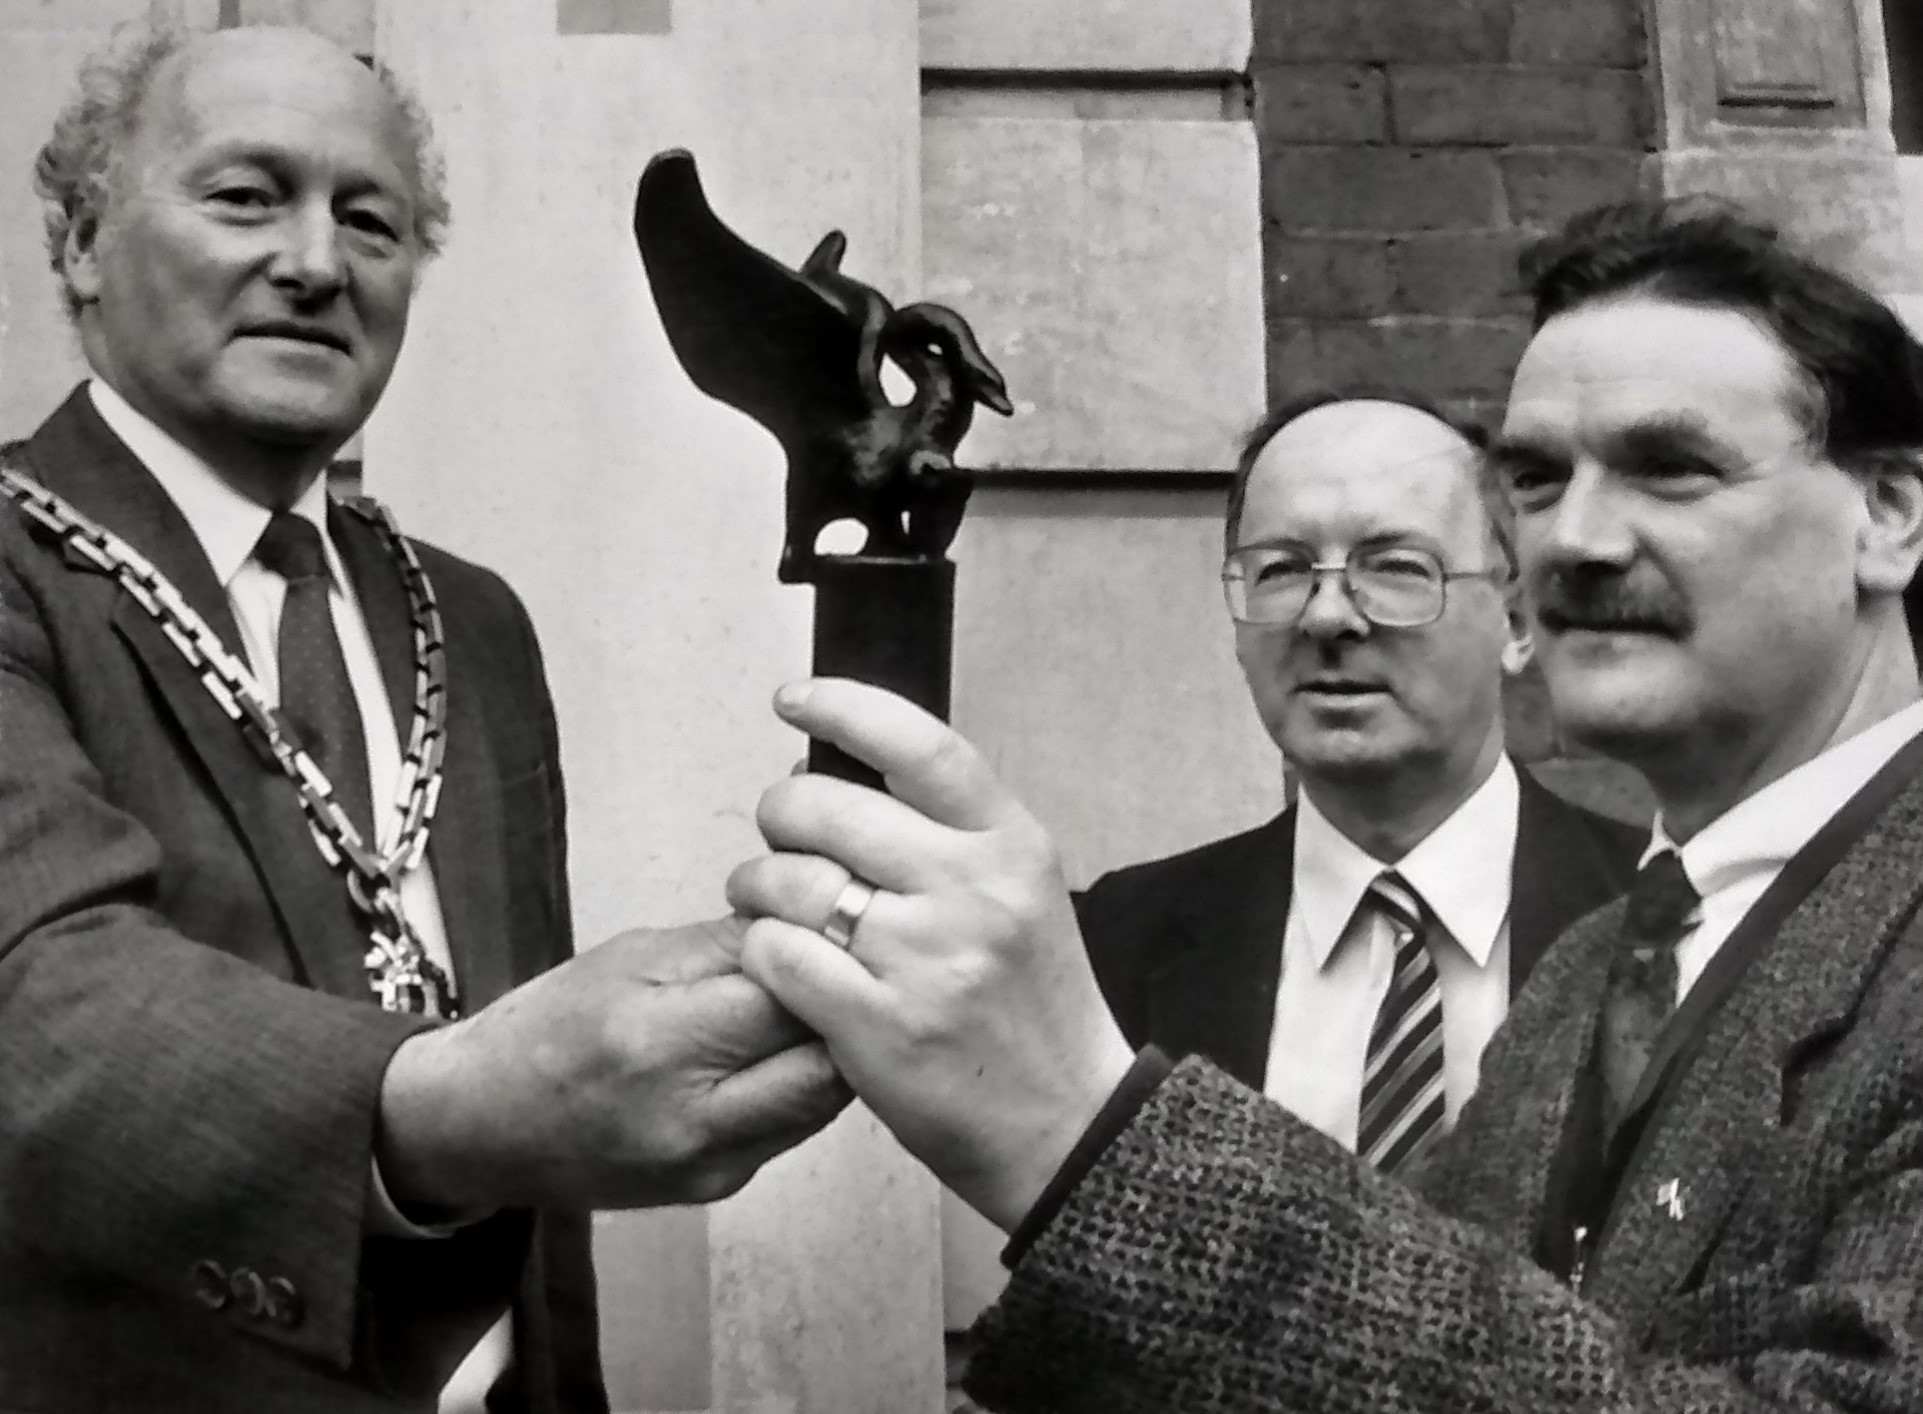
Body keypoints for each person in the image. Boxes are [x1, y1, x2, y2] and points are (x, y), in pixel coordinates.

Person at [727, 197, 1923, 1412]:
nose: (1574, 539)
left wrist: (1080, 1135)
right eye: (1538, 478)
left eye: (1671, 467)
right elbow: (1408, 1346)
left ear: (1889, 514)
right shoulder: (1596, 976)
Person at [0, 25, 845, 1413]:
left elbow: (544, 1219)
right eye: (246, 197)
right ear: (86, 239)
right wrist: (449, 1106)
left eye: (369, 218)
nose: (318, 262)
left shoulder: (466, 620)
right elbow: (42, 1011)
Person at [1078, 390, 1639, 1165]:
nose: (1326, 617)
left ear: (1514, 622)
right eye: (1280, 570)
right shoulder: (1117, 944)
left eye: (1395, 568)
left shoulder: (1662, 916)